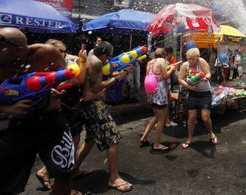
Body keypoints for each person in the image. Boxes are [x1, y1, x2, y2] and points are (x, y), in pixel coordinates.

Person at [0, 28, 86, 195]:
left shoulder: (46, 53)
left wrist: (56, 91)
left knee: (65, 172)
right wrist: (8, 108)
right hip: (20, 125)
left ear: (19, 50)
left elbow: (67, 78)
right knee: (0, 181)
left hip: (53, 121)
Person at [74, 41, 134, 193]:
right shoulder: (95, 63)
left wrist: (117, 71)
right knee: (113, 138)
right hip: (93, 105)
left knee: (90, 140)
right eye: (109, 56)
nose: (109, 59)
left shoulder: (91, 56)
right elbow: (96, 87)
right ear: (102, 55)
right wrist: (118, 77)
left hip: (89, 104)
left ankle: (73, 170)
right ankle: (113, 178)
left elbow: (99, 75)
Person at [35, 39, 90, 190]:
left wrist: (77, 58)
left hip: (67, 108)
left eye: (64, 50)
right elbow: (79, 80)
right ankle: (65, 185)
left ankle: (51, 173)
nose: (63, 54)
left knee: (69, 143)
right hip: (62, 109)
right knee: (70, 144)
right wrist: (83, 62)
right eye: (59, 51)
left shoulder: (57, 63)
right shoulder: (55, 69)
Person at [178, 47, 218, 148]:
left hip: (205, 93)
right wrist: (189, 87)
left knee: (205, 117)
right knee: (191, 117)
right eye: (190, 58)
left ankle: (211, 133)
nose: (191, 61)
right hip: (193, 93)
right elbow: (180, 79)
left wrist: (207, 77)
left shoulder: (201, 62)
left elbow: (208, 73)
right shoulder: (185, 65)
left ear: (197, 58)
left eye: (194, 59)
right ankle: (190, 139)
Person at [140, 48, 176, 150]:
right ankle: (157, 144)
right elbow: (165, 76)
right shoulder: (162, 61)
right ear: (164, 55)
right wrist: (172, 69)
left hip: (151, 91)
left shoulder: (150, 62)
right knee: (161, 119)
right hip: (159, 91)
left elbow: (150, 75)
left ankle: (144, 137)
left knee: (156, 116)